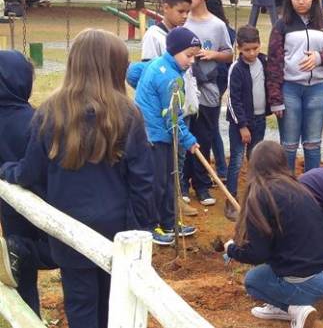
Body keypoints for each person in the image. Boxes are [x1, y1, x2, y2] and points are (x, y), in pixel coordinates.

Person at [0, 29, 156, 328]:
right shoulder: (128, 113)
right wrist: (138, 228)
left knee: (80, 304)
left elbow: (30, 172)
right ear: (114, 68)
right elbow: (143, 181)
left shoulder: (49, 112)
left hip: (68, 229)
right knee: (115, 303)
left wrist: (8, 170)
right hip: (117, 230)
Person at [225, 141, 323, 328]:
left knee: (253, 280)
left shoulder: (261, 194)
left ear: (254, 165)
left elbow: (258, 254)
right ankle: (292, 301)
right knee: (273, 265)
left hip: (310, 282)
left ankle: (294, 310)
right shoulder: (298, 187)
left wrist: (231, 249)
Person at [129, 27, 201, 246]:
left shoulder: (159, 64)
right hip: (154, 137)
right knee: (157, 183)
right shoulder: (169, 78)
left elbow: (132, 72)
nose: (191, 61)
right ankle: (152, 227)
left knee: (170, 180)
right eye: (188, 55)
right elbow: (173, 119)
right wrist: (189, 141)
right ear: (174, 51)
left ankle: (170, 222)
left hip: (161, 135)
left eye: (194, 57)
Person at [266, 0, 323, 174]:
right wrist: (275, 99)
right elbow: (274, 63)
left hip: (318, 90)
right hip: (290, 89)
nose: (301, 2)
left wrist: (320, 57)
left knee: (313, 144)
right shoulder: (281, 26)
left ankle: (312, 189)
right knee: (289, 145)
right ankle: (288, 188)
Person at [0, 51, 56, 314]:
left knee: (22, 271)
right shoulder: (36, 119)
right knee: (54, 251)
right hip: (46, 199)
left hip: (10, 207)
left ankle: (28, 315)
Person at [139, 0, 199, 217]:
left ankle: (175, 200)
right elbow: (143, 73)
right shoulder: (154, 37)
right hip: (164, 118)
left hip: (179, 112)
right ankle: (166, 210)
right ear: (166, 7)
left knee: (178, 161)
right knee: (165, 169)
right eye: (181, 11)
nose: (185, 16)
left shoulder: (184, 38)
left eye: (188, 12)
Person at [181, 0, 234, 206]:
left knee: (204, 137)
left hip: (209, 91)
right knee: (183, 136)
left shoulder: (217, 25)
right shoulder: (181, 21)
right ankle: (182, 184)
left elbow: (230, 53)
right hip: (183, 90)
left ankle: (202, 186)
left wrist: (213, 54)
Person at [225, 25, 269, 221]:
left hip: (260, 120)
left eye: (255, 48)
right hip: (240, 124)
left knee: (256, 158)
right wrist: (242, 125)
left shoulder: (264, 61)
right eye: (247, 49)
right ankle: (230, 200)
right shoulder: (236, 69)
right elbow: (233, 100)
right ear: (239, 48)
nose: (252, 53)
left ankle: (255, 198)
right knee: (236, 160)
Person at [206, 0, 236, 181]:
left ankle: (221, 170)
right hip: (220, 79)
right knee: (211, 124)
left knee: (209, 125)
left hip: (213, 79)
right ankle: (221, 169)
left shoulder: (217, 27)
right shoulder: (227, 28)